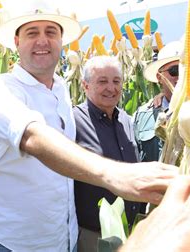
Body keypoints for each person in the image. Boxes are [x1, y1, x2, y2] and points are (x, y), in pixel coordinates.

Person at [0, 7, 178, 251]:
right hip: (10, 241)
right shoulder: (2, 89)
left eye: (51, 32)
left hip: (60, 240)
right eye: (32, 33)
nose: (42, 40)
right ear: (16, 42)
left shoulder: (61, 91)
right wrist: (115, 175)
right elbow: (32, 136)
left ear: (61, 41)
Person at [73, 56, 141, 251]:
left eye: (116, 81)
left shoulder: (127, 120)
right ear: (85, 86)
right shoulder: (73, 121)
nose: (111, 88)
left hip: (129, 232)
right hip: (93, 237)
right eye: (102, 81)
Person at [133, 41, 182, 162]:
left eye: (185, 70)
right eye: (174, 71)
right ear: (159, 77)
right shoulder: (142, 115)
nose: (181, 76)